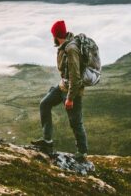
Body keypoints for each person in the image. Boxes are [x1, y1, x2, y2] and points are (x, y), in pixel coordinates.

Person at [31, 20, 88, 160]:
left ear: (56, 35)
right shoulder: (65, 46)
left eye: (53, 35)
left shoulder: (71, 49)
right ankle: (47, 142)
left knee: (75, 122)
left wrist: (69, 98)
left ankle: (82, 153)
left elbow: (75, 76)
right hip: (63, 86)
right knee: (44, 104)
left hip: (72, 91)